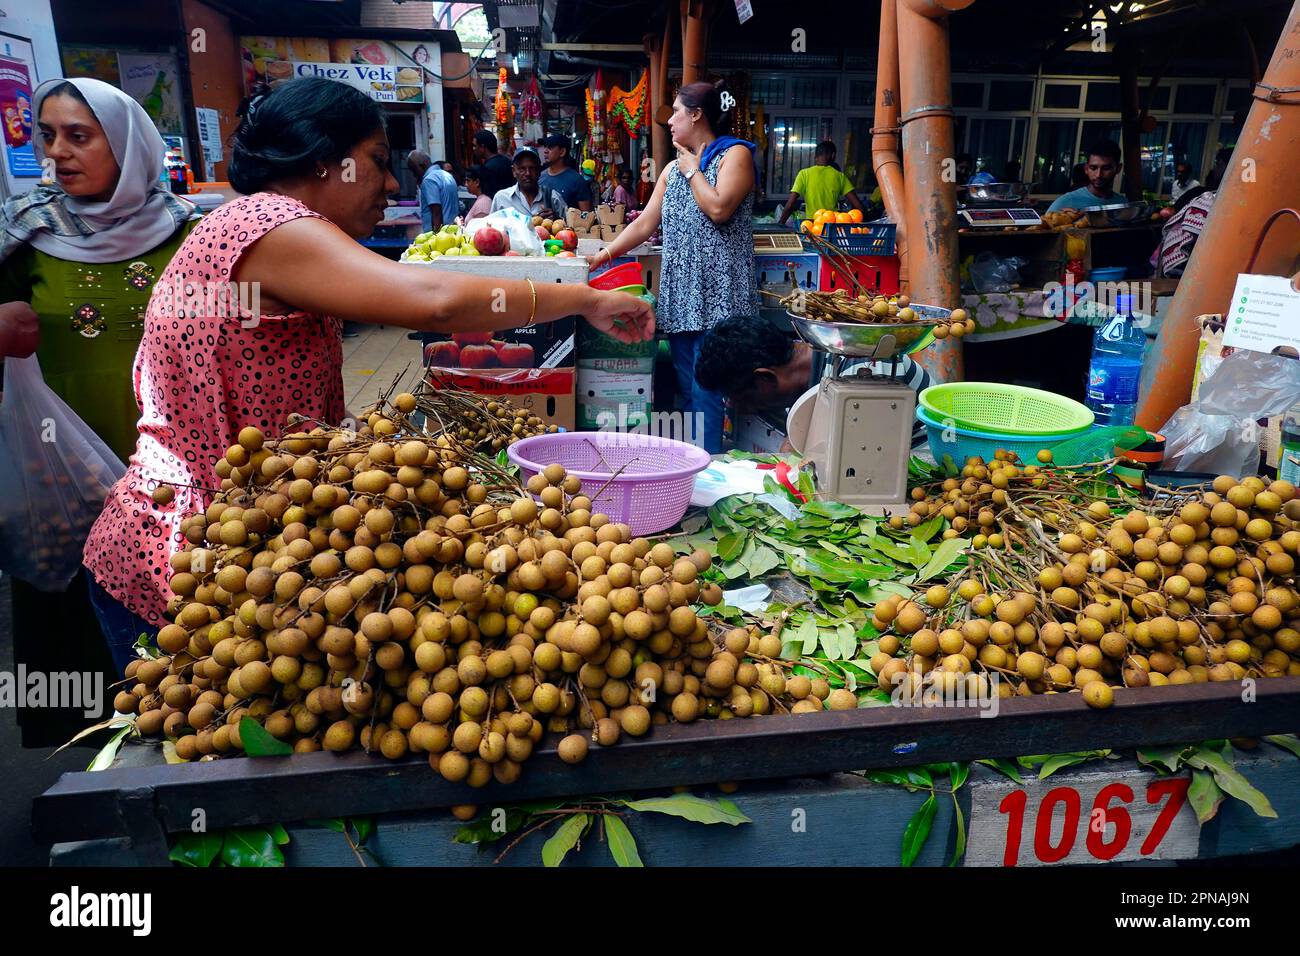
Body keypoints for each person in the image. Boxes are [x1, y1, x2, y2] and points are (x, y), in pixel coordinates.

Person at [80, 78, 654, 668]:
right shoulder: (266, 225)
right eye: (377, 162)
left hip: (243, 542)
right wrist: (584, 299)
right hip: (187, 556)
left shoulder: (256, 226)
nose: (389, 183)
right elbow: (434, 300)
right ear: (324, 159)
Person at [0, 78, 201, 743]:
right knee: (67, 614)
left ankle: (173, 755)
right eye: (46, 134)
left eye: (78, 136)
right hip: (56, 473)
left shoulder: (190, 233)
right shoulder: (21, 233)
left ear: (128, 143)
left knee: (175, 618)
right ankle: (76, 777)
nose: (57, 152)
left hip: (167, 468)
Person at [590, 79, 758, 454]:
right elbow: (644, 224)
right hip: (683, 296)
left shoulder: (734, 156)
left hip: (719, 296)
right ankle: (692, 464)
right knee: (687, 386)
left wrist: (693, 171)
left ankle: (708, 472)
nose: (671, 122)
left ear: (697, 115)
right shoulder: (671, 169)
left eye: (677, 113)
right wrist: (605, 254)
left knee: (707, 387)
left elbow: (718, 208)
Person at [694, 314, 932, 450]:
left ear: (764, 378)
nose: (733, 405)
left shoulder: (863, 374)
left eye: (736, 396)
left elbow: (859, 457)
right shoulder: (803, 379)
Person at [776, 141, 863, 225]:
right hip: (832, 228)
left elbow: (790, 205)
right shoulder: (840, 176)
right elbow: (858, 206)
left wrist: (780, 224)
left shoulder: (804, 174)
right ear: (833, 155)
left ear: (816, 157)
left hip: (812, 226)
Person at [1048, 140, 1123, 212]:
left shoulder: (1123, 204)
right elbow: (1041, 224)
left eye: (1106, 168)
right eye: (1093, 168)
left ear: (1118, 169)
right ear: (1086, 169)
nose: (1098, 175)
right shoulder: (1065, 202)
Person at [490, 148, 553, 218]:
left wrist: (556, 218)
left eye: (532, 168)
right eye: (522, 169)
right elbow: (491, 226)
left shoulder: (552, 197)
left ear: (539, 170)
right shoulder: (501, 198)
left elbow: (566, 224)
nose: (528, 173)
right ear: (513, 171)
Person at [539, 133, 592, 215]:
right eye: (545, 147)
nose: (545, 151)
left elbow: (586, 216)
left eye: (550, 147)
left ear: (562, 152)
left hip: (567, 227)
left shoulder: (577, 180)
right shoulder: (539, 177)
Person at [408, 150, 459, 231]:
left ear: (422, 166)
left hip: (440, 236)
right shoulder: (447, 175)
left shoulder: (429, 180)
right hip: (452, 231)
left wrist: (435, 237)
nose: (414, 174)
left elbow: (436, 212)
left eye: (414, 169)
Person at [472, 128, 513, 198]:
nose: (473, 149)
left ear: (482, 147)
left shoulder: (487, 169)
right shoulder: (507, 161)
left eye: (475, 146)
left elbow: (489, 197)